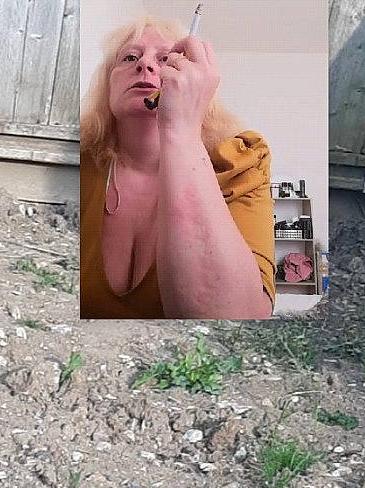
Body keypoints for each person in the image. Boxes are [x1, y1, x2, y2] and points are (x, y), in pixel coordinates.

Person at [80, 17, 275, 319]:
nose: (145, 65)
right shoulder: (79, 160)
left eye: (166, 60)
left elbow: (237, 319)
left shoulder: (241, 163)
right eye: (130, 57)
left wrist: (181, 127)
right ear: (107, 84)